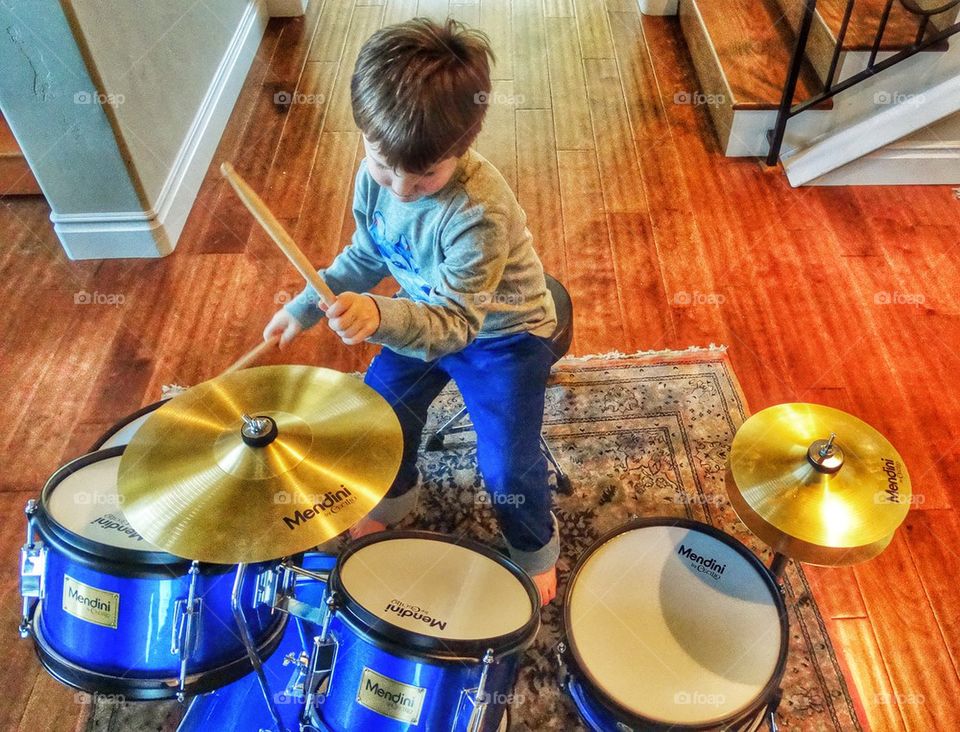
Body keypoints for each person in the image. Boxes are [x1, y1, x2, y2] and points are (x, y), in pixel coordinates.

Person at [263, 18, 560, 605]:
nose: (399, 188)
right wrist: (306, 306)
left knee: (506, 468)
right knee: (381, 418)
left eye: (425, 174)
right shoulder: (378, 180)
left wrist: (378, 316)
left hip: (502, 333)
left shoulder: (479, 210)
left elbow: (457, 325)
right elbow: (369, 251)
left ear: (463, 145)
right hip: (427, 311)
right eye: (382, 163)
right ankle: (394, 500)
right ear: (366, 135)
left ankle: (535, 549)